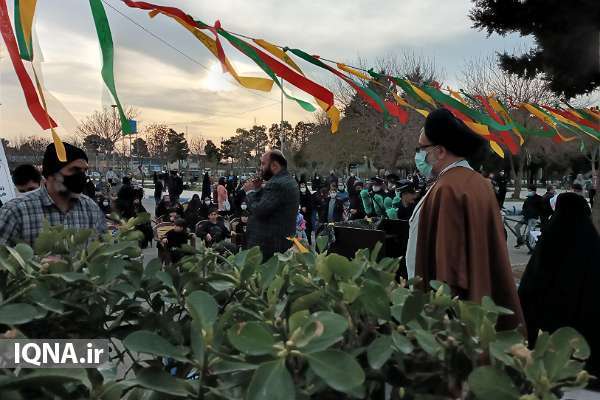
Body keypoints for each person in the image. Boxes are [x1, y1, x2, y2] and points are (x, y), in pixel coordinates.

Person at [406, 108, 524, 330]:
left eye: (422, 148)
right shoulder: (477, 183)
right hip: (479, 294)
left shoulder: (449, 189)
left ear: (440, 151)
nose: (419, 155)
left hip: (452, 317)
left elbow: (449, 270)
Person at [518, 193, 599, 380]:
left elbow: (531, 283)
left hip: (549, 325)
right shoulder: (592, 240)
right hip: (584, 328)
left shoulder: (552, 237)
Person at [0, 143, 106, 246]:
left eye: (84, 171)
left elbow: (102, 250)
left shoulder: (91, 209)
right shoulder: (15, 212)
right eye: (74, 170)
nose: (81, 176)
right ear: (51, 174)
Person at [243, 150, 299, 259]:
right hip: (279, 243)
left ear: (274, 165)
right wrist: (258, 189)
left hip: (269, 247)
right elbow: (268, 204)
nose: (261, 168)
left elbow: (259, 211)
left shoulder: (277, 183)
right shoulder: (287, 180)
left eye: (263, 164)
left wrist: (249, 192)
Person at [515, 184, 545, 248]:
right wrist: (522, 213)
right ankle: (520, 240)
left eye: (529, 190)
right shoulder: (528, 198)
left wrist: (539, 216)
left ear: (533, 191)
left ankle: (530, 245)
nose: (528, 191)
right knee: (516, 227)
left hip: (533, 217)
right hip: (526, 217)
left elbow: (542, 209)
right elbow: (524, 207)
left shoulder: (539, 199)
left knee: (530, 231)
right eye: (528, 190)